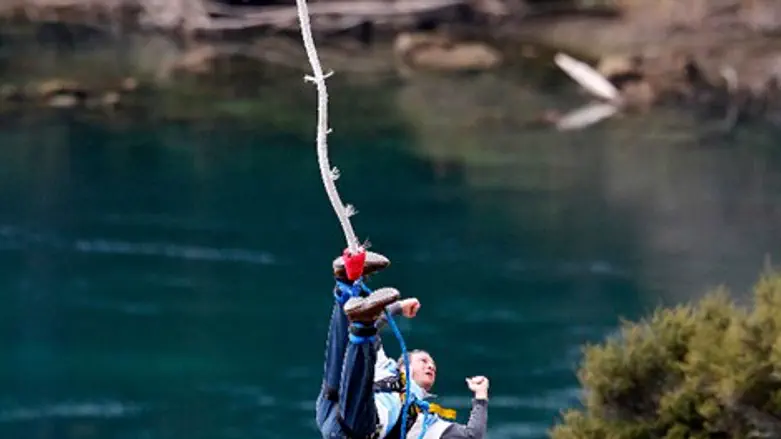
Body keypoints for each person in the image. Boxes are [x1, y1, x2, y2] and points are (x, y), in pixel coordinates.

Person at [315, 249, 490, 439]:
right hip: (331, 404)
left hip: (351, 432)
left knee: (361, 334)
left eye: (432, 365)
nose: (430, 366)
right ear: (404, 362)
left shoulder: (423, 423)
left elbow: (472, 437)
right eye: (423, 361)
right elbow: (378, 320)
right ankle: (345, 284)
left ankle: (360, 320)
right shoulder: (385, 366)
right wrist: (398, 307)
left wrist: (481, 396)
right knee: (353, 346)